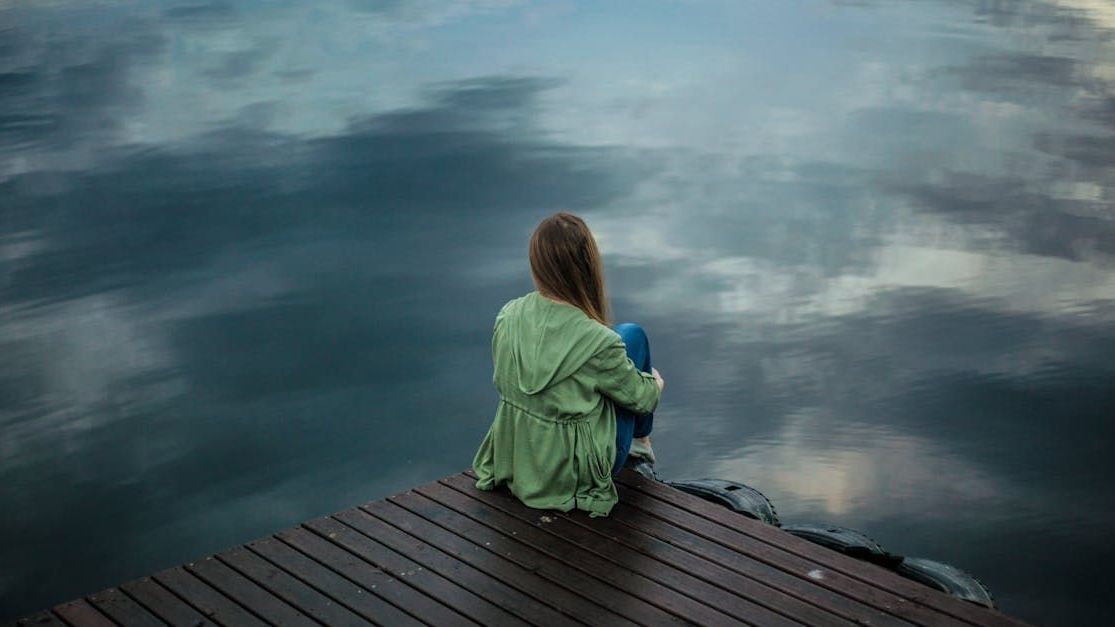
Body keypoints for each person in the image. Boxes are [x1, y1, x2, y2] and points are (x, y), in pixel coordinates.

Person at [471, 212, 665, 518]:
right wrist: (655, 384)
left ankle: (638, 443)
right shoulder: (599, 342)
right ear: (588, 266)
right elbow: (644, 400)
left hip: (521, 459)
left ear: (537, 264)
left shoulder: (507, 315)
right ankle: (641, 444)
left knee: (622, 340)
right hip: (573, 474)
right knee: (633, 335)